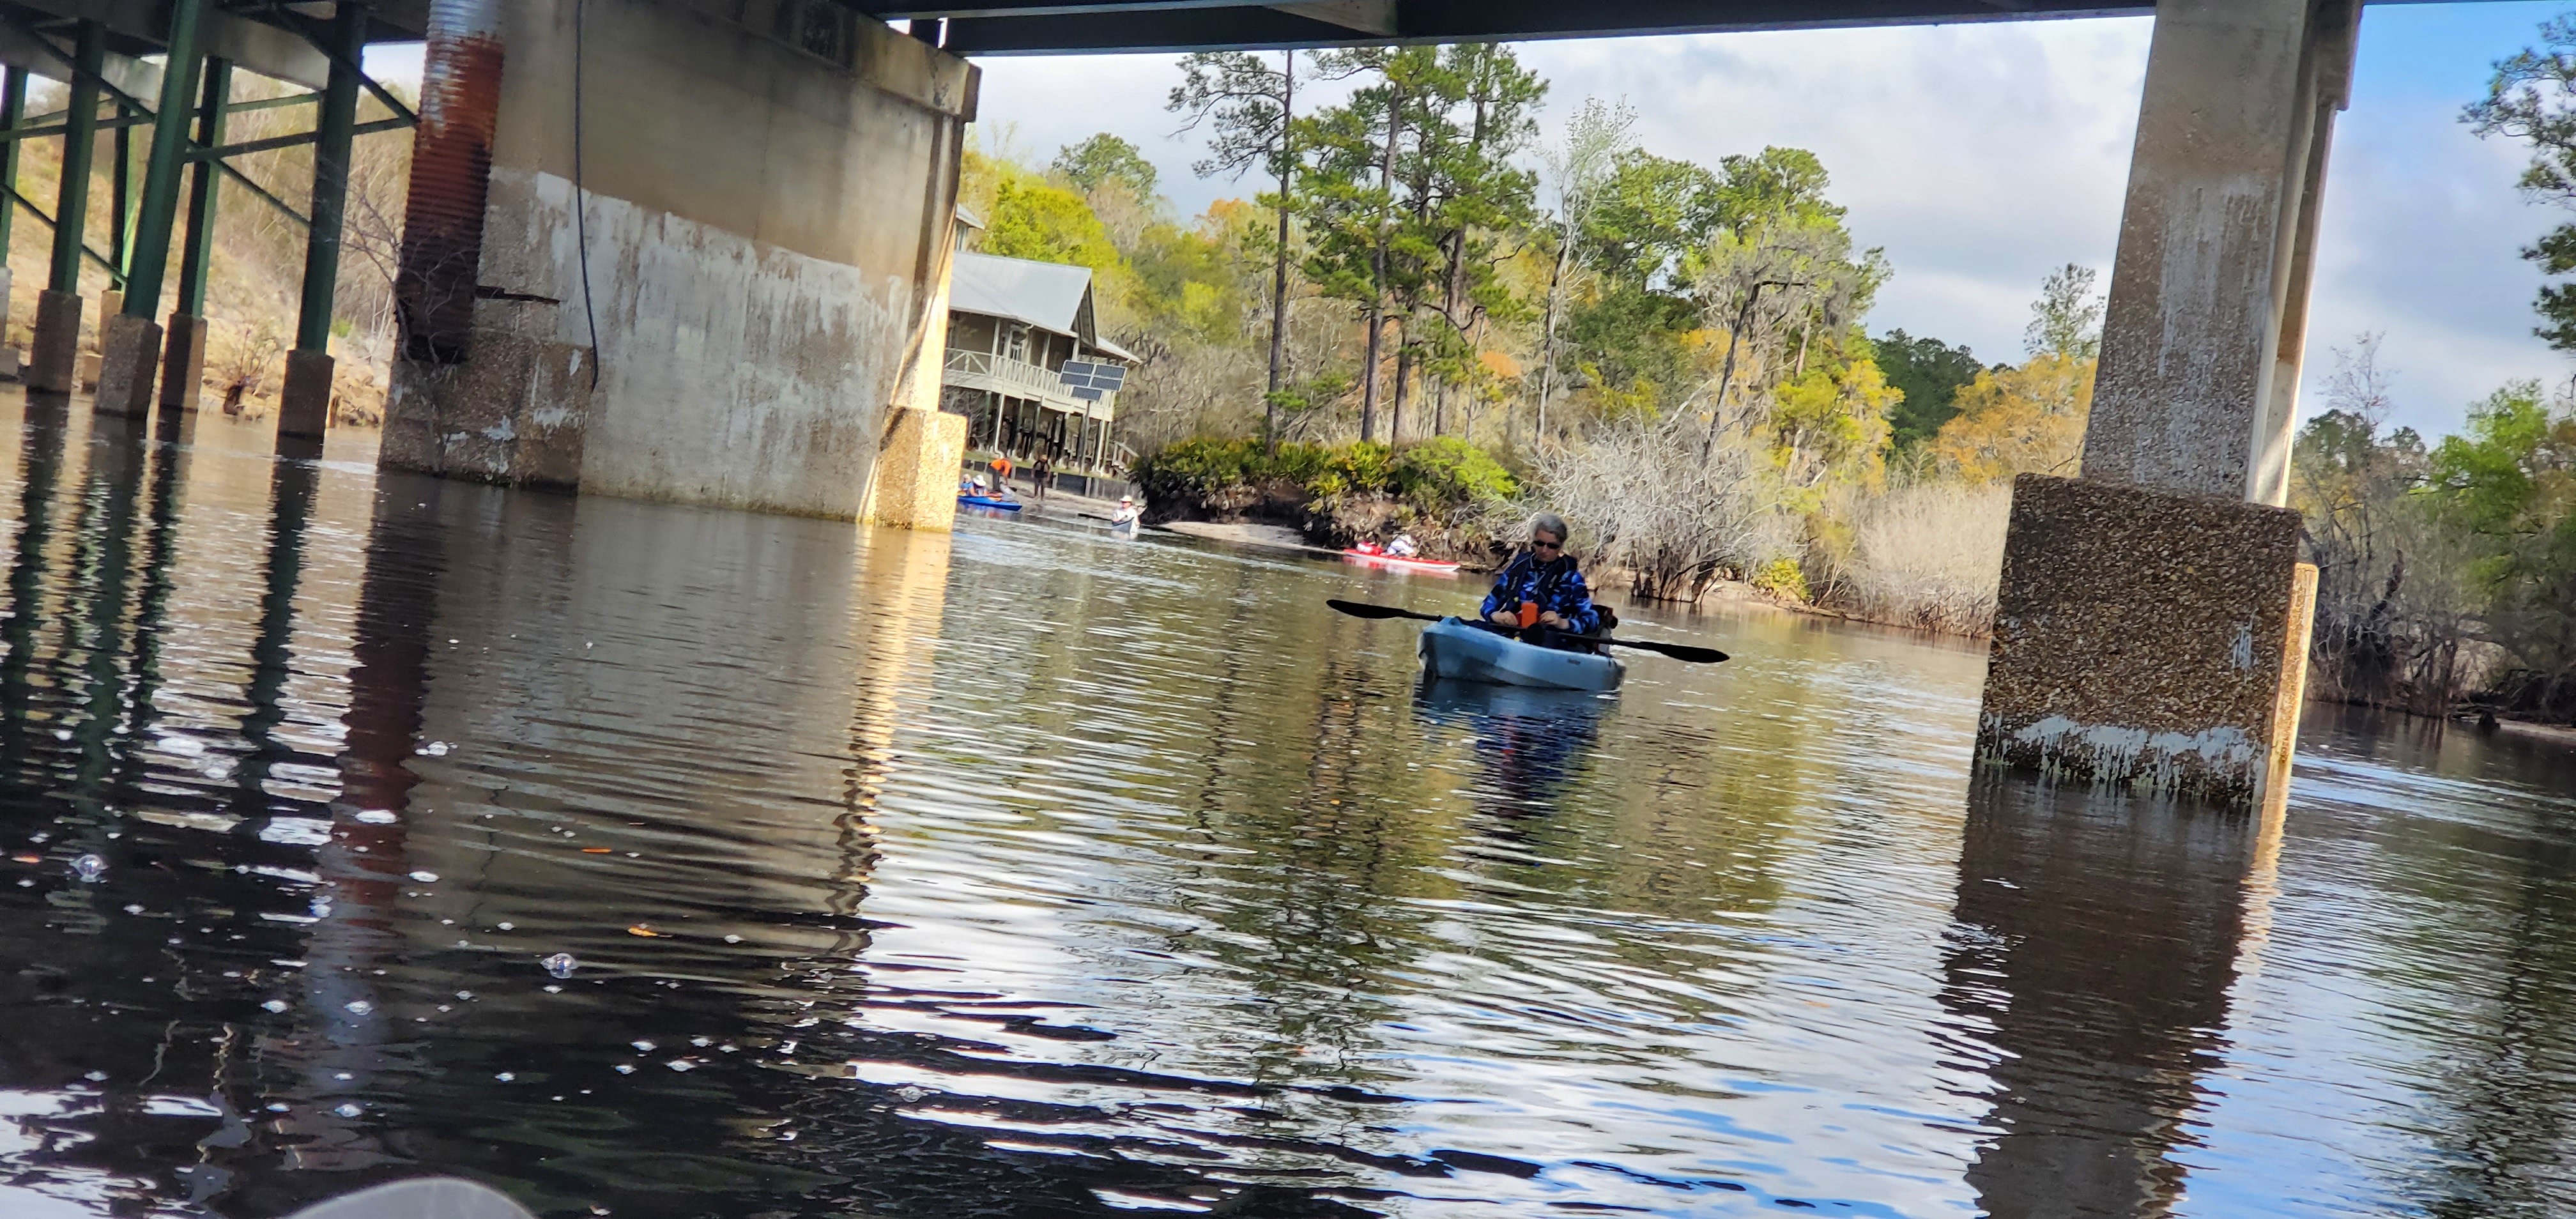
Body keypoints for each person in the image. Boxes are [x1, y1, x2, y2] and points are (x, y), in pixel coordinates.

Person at [1480, 512, 1601, 647]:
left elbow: (1592, 620)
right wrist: (1495, 615)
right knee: (1464, 624)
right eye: (1540, 543)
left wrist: (1562, 622)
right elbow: (1487, 605)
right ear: (1534, 541)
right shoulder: (1518, 568)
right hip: (1512, 634)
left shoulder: (1572, 578)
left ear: (1560, 546)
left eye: (1552, 546)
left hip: (1550, 641)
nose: (1544, 550)